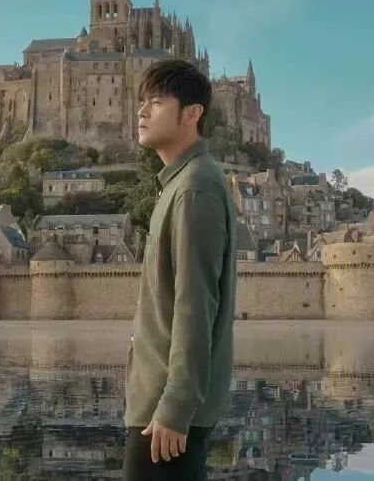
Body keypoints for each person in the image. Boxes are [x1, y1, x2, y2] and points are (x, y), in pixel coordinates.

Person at [123, 58, 238, 480]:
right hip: (159, 403)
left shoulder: (194, 189)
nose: (142, 111)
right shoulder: (180, 183)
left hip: (166, 414)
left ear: (192, 114)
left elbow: (195, 305)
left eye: (156, 102)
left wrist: (175, 406)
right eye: (142, 101)